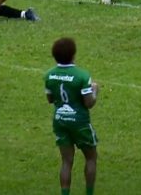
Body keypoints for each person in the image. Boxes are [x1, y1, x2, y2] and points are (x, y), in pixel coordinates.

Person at [44, 38, 99, 195]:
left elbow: (50, 99)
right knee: (91, 158)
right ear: (74, 54)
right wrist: (95, 90)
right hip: (79, 122)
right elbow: (89, 103)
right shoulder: (82, 76)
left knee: (66, 161)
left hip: (60, 120)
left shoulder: (49, 75)